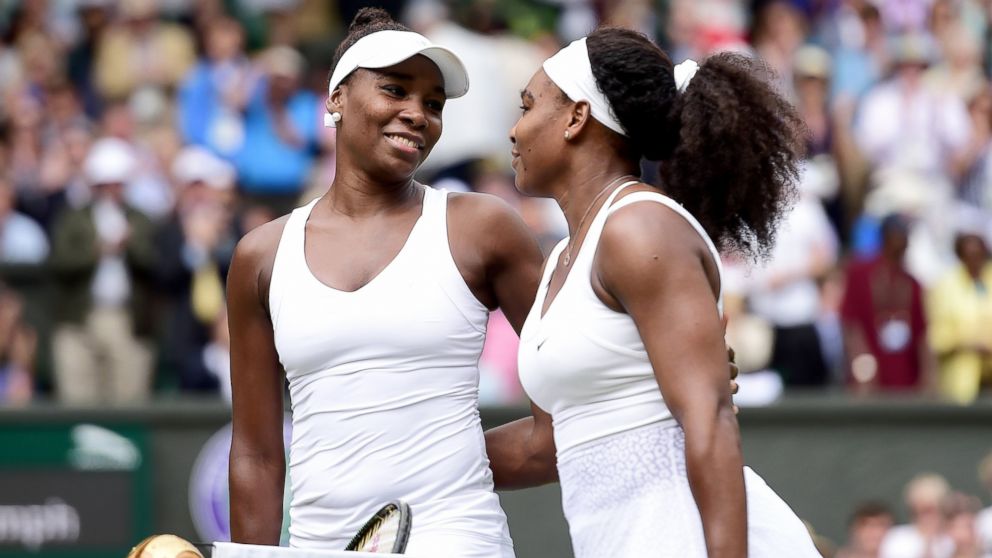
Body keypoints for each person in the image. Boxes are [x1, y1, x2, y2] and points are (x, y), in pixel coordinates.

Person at [226, 9, 547, 557]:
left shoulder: (482, 227)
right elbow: (255, 453)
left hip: (458, 540)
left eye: (433, 104)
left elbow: (577, 390)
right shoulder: (260, 256)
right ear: (336, 98)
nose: (417, 114)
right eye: (395, 90)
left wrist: (452, 461)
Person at [512, 28, 818, 557]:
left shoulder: (639, 230)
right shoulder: (565, 255)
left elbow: (710, 416)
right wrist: (406, 458)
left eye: (528, 106)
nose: (514, 130)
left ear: (576, 117)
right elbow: (545, 446)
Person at [841, 213, 932, 392]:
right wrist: (862, 365)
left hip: (906, 379)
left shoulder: (912, 284)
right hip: (872, 375)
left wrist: (928, 377)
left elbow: (921, 335)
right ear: (885, 238)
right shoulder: (860, 274)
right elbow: (851, 325)